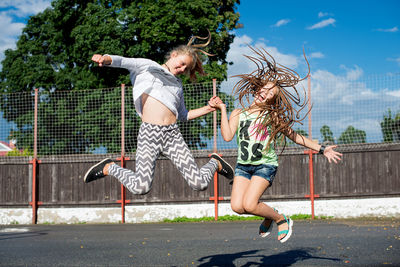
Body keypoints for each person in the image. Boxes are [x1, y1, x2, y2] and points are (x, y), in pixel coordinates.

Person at [214, 46, 342, 243]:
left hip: (265, 165)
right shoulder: (238, 112)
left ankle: (281, 219)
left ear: (273, 98)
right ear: (257, 89)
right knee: (237, 208)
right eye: (263, 88)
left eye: (270, 92)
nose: (264, 93)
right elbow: (228, 135)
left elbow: (294, 136)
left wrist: (322, 149)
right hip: (243, 166)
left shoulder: (272, 116)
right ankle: (268, 215)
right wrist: (222, 108)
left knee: (249, 204)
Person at [84, 33, 234, 196]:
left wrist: (210, 108)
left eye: (186, 68)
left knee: (199, 184)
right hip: (149, 133)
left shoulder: (177, 85)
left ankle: (215, 163)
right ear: (174, 55)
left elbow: (183, 115)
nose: (183, 69)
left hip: (172, 134)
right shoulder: (149, 66)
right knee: (141, 187)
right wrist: (105, 59)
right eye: (182, 63)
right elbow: (123, 61)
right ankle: (109, 167)